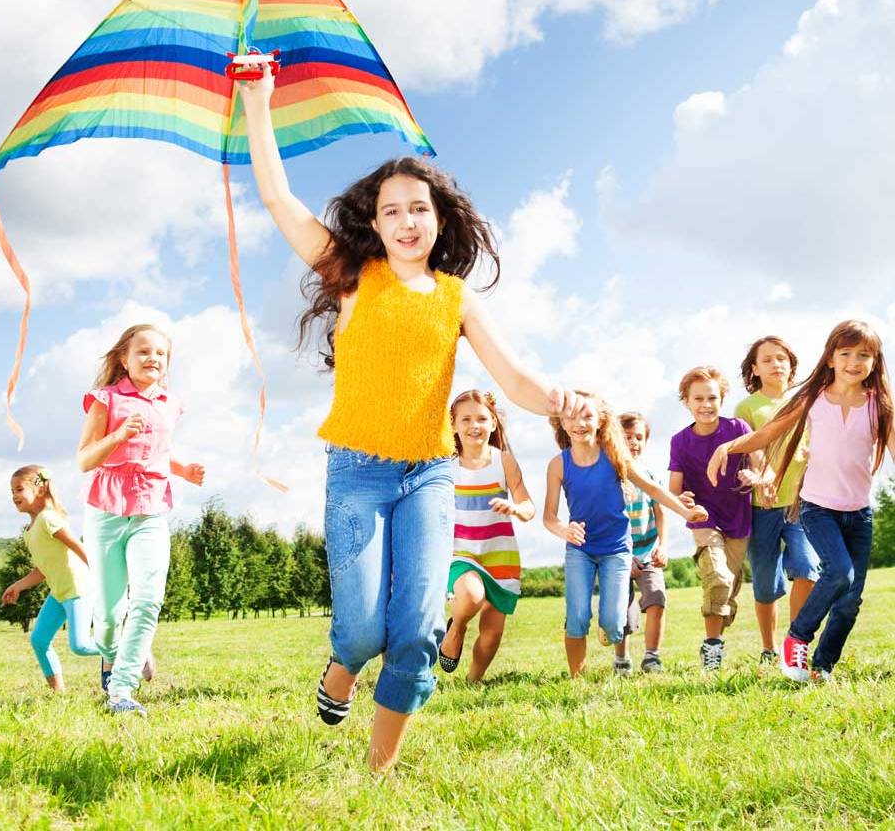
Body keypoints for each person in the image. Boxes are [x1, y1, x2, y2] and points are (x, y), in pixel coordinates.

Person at [238, 66, 585, 772]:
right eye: (391, 210)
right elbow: (277, 196)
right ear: (374, 222)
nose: (406, 221)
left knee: (418, 632)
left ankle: (376, 775)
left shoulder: (456, 298)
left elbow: (514, 376)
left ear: (439, 218)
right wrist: (257, 99)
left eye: (418, 208)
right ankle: (343, 663)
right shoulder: (350, 275)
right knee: (366, 630)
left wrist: (559, 399)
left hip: (428, 476)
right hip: (357, 474)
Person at [709, 320, 894, 682]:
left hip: (859, 514)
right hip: (817, 507)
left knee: (850, 600)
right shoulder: (812, 399)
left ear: (875, 361)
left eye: (863, 355)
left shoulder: (879, 406)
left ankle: (821, 666)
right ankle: (797, 637)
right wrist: (729, 445)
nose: (854, 362)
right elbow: (768, 434)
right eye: (845, 353)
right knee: (839, 572)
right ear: (830, 359)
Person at [76, 323, 205, 716]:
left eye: (161, 354)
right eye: (144, 352)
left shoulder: (170, 403)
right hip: (107, 510)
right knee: (111, 615)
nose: (153, 359)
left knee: (148, 599)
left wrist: (184, 470)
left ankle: (121, 689)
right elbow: (84, 459)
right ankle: (113, 655)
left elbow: (158, 452)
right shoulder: (106, 400)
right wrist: (117, 436)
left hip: (151, 509)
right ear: (123, 359)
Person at [543, 391, 707, 678]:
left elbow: (654, 490)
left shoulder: (615, 457)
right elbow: (549, 517)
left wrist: (686, 513)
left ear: (601, 421)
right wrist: (563, 530)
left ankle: (609, 628)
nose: (579, 423)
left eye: (587, 416)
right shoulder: (558, 465)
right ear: (561, 422)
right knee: (577, 617)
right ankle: (577, 681)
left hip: (617, 550)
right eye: (571, 416)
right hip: (580, 549)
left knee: (614, 624)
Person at [439, 390, 534, 683]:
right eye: (465, 419)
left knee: (492, 634)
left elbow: (529, 507)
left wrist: (515, 508)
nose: (474, 425)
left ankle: (474, 680)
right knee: (472, 595)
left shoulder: (503, 461)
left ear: (493, 423)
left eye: (481, 418)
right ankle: (456, 628)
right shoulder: (446, 466)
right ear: (452, 425)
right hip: (461, 552)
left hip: (500, 556)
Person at [734, 336, 819, 664]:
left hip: (802, 502)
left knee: (807, 567)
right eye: (767, 360)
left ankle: (794, 641)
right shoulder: (747, 408)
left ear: (791, 364)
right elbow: (749, 447)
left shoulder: (807, 401)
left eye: (781, 358)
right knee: (767, 584)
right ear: (755, 368)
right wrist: (762, 475)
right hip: (762, 507)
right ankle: (769, 649)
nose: (775, 364)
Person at [669, 366, 753, 672]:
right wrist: (684, 501)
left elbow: (757, 463)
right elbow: (674, 489)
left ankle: (717, 629)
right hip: (704, 519)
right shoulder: (680, 441)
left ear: (722, 399)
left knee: (728, 586)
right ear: (686, 402)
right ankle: (712, 646)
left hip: (739, 518)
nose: (706, 404)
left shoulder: (738, 429)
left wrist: (752, 474)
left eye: (712, 397)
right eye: (698, 398)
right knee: (717, 577)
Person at [1, 465, 98, 691]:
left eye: (19, 489)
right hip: (59, 593)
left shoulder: (48, 520)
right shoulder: (29, 530)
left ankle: (130, 651)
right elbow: (42, 570)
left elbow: (78, 547)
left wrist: (100, 576)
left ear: (41, 490)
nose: (14, 496)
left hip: (78, 589)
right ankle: (59, 693)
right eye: (11, 492)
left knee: (81, 645)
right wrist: (18, 586)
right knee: (39, 640)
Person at [617, 412, 668, 674]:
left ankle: (651, 657)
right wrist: (626, 557)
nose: (634, 442)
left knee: (657, 599)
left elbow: (661, 512)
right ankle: (622, 658)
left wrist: (663, 545)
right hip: (617, 555)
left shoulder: (650, 476)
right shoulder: (611, 478)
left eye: (639, 437)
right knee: (620, 611)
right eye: (627, 437)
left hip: (648, 552)